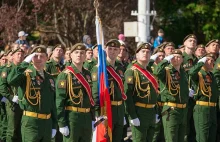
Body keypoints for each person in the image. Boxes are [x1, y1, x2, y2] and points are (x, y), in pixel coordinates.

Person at [6, 46, 57, 142]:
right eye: (35, 56)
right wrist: (24, 63)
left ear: (47, 58)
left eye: (41, 56)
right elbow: (11, 80)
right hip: (31, 121)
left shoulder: (50, 78)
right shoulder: (25, 75)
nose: (38, 59)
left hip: (47, 123)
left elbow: (53, 103)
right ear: (31, 58)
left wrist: (54, 124)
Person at [56, 43, 95, 142]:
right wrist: (62, 123)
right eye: (76, 52)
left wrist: (92, 118)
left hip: (86, 116)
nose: (79, 55)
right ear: (71, 55)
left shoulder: (87, 74)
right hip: (72, 117)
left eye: (82, 53)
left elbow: (90, 97)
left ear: (85, 56)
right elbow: (59, 101)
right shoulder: (65, 75)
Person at [92, 39, 127, 142]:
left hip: (119, 110)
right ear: (105, 50)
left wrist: (123, 113)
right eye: (110, 49)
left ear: (118, 51)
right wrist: (98, 114)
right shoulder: (100, 68)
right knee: (105, 138)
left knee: (117, 138)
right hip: (106, 109)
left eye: (115, 49)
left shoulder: (120, 67)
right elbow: (95, 92)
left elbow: (122, 90)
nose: (112, 51)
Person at [124, 42, 159, 142]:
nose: (146, 53)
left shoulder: (149, 72)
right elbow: (127, 95)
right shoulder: (132, 71)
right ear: (137, 55)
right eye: (143, 51)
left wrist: (155, 112)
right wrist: (133, 116)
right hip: (139, 112)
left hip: (151, 112)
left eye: (148, 52)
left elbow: (154, 94)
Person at [154, 49, 189, 142]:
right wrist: (165, 60)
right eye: (173, 57)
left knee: (182, 138)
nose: (176, 59)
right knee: (171, 138)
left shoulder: (183, 73)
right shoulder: (166, 71)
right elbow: (156, 72)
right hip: (171, 109)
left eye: (178, 57)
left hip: (183, 110)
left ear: (182, 59)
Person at [189, 53, 218, 142]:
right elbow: (191, 72)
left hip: (212, 108)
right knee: (203, 137)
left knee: (212, 136)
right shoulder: (199, 74)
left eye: (212, 60)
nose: (211, 62)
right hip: (202, 108)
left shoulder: (211, 75)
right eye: (208, 60)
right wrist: (200, 63)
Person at [0, 46, 25, 142]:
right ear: (13, 56)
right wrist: (10, 97)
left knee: (21, 129)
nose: (20, 56)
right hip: (12, 103)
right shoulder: (7, 69)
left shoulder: (25, 68)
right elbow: (2, 87)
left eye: (22, 54)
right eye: (18, 54)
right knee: (12, 130)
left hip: (23, 102)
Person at [182, 34, 197, 142]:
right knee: (185, 129)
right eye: (190, 40)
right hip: (184, 98)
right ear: (185, 43)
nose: (192, 42)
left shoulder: (197, 60)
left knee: (193, 129)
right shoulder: (180, 58)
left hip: (195, 98)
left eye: (194, 41)